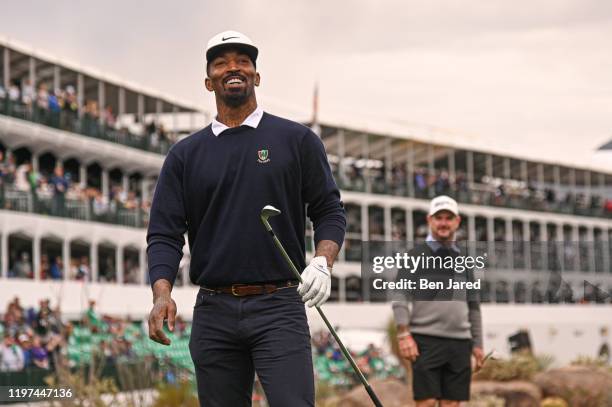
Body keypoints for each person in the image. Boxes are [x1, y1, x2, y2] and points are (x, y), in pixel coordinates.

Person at [146, 30, 346, 406]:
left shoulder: (297, 140)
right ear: (209, 81)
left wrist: (323, 261)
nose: (232, 67)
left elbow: (329, 210)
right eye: (221, 62)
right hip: (214, 309)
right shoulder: (185, 155)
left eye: (243, 61)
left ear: (256, 76)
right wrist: (161, 294)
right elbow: (164, 234)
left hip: (280, 305)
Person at [392, 195, 484, 406]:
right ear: (429, 220)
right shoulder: (413, 256)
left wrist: (478, 344)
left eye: (448, 218)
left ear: (457, 221)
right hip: (425, 341)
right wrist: (404, 334)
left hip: (461, 343)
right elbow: (400, 297)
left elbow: (474, 307)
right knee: (426, 403)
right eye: (438, 217)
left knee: (452, 404)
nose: (443, 223)